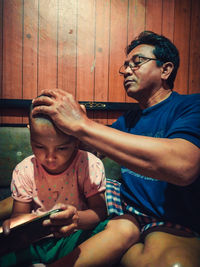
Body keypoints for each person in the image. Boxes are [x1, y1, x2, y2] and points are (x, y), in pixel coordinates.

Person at [31, 31, 200, 267]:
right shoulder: (128, 120)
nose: (127, 71)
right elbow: (89, 149)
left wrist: (82, 125)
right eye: (125, 66)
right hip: (125, 205)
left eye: (137, 62)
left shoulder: (191, 106)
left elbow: (184, 166)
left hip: (169, 218)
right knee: (47, 171)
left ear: (165, 70)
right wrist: (60, 125)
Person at [0, 104, 138, 267]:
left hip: (74, 238)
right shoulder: (24, 169)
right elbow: (18, 217)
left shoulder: (88, 164)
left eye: (62, 148)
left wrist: (75, 219)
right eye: (39, 146)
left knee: (126, 227)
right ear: (30, 132)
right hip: (35, 243)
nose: (50, 158)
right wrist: (14, 225)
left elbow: (100, 212)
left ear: (76, 140)